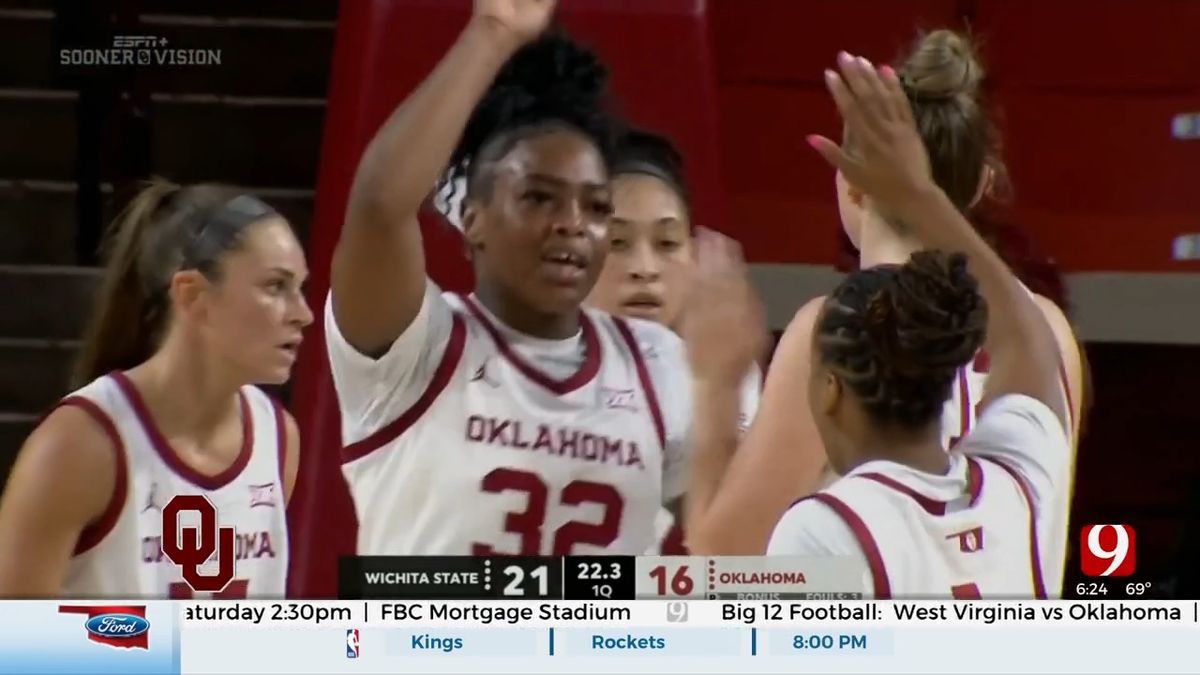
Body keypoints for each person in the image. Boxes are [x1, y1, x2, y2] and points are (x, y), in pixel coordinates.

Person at [684, 31, 1084, 595]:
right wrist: (920, 192)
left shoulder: (839, 331)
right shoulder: (1046, 331)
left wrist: (714, 386)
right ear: (978, 187)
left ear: (852, 179)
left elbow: (717, 571)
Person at [329, 1, 704, 556]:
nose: (573, 225)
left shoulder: (659, 364)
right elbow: (380, 207)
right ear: (473, 217)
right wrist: (491, 33)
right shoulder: (419, 348)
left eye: (597, 207)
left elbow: (734, 556)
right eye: (538, 197)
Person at [0, 179, 311, 598]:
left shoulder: (278, 437)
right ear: (193, 294)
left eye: (300, 288)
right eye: (276, 286)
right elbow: (17, 645)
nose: (303, 314)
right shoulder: (81, 444)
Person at [585, 127, 762, 552]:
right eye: (617, 243)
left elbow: (728, 563)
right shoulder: (513, 365)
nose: (644, 268)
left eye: (666, 242)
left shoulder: (725, 368)